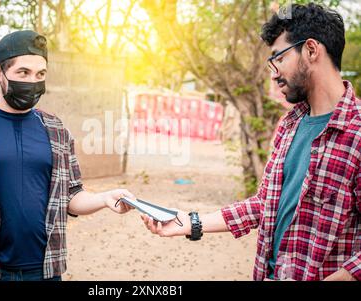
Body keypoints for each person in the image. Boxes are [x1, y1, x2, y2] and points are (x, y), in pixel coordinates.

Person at [141, 3, 360, 281]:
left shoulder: (357, 131)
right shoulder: (289, 125)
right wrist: (190, 222)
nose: (273, 73)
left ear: (312, 50)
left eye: (278, 58)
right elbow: (264, 204)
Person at [0, 30, 135, 281]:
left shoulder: (57, 131)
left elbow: (72, 195)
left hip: (45, 272)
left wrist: (106, 198)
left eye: (40, 74)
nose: (33, 82)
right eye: (23, 73)